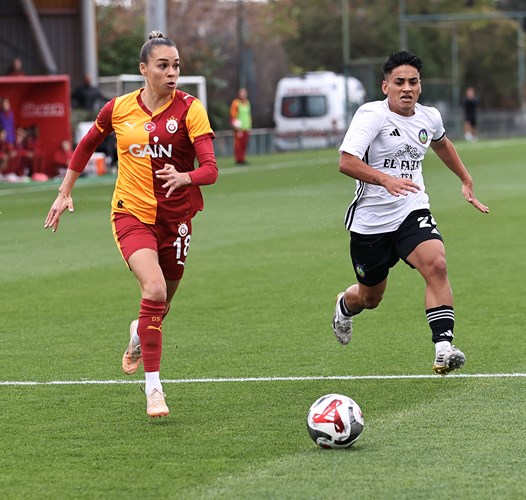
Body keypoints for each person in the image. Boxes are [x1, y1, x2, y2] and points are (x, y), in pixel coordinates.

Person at [44, 31, 219, 417]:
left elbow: (210, 169)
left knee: (162, 304)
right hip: (131, 213)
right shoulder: (119, 108)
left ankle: (138, 336)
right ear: (143, 69)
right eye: (163, 66)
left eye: (176, 66)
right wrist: (64, 191)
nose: (172, 73)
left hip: (176, 220)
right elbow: (87, 144)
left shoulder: (191, 110)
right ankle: (154, 389)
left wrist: (186, 177)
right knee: (154, 290)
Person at [332, 50, 489, 376]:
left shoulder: (429, 117)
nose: (407, 88)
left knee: (437, 264)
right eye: (399, 82)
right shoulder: (371, 115)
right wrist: (385, 179)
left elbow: (442, 144)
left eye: (413, 82)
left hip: (411, 210)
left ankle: (444, 349)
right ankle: (344, 307)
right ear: (385, 86)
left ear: (420, 86)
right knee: (370, 298)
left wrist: (465, 177)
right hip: (371, 223)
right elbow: (346, 162)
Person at [230, 87, 252, 164]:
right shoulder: (236, 103)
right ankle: (238, 159)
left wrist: (249, 125)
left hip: (246, 127)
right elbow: (233, 115)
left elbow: (248, 115)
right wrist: (235, 125)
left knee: (244, 144)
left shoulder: (247, 103)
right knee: (238, 144)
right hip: (239, 128)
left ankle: (243, 158)